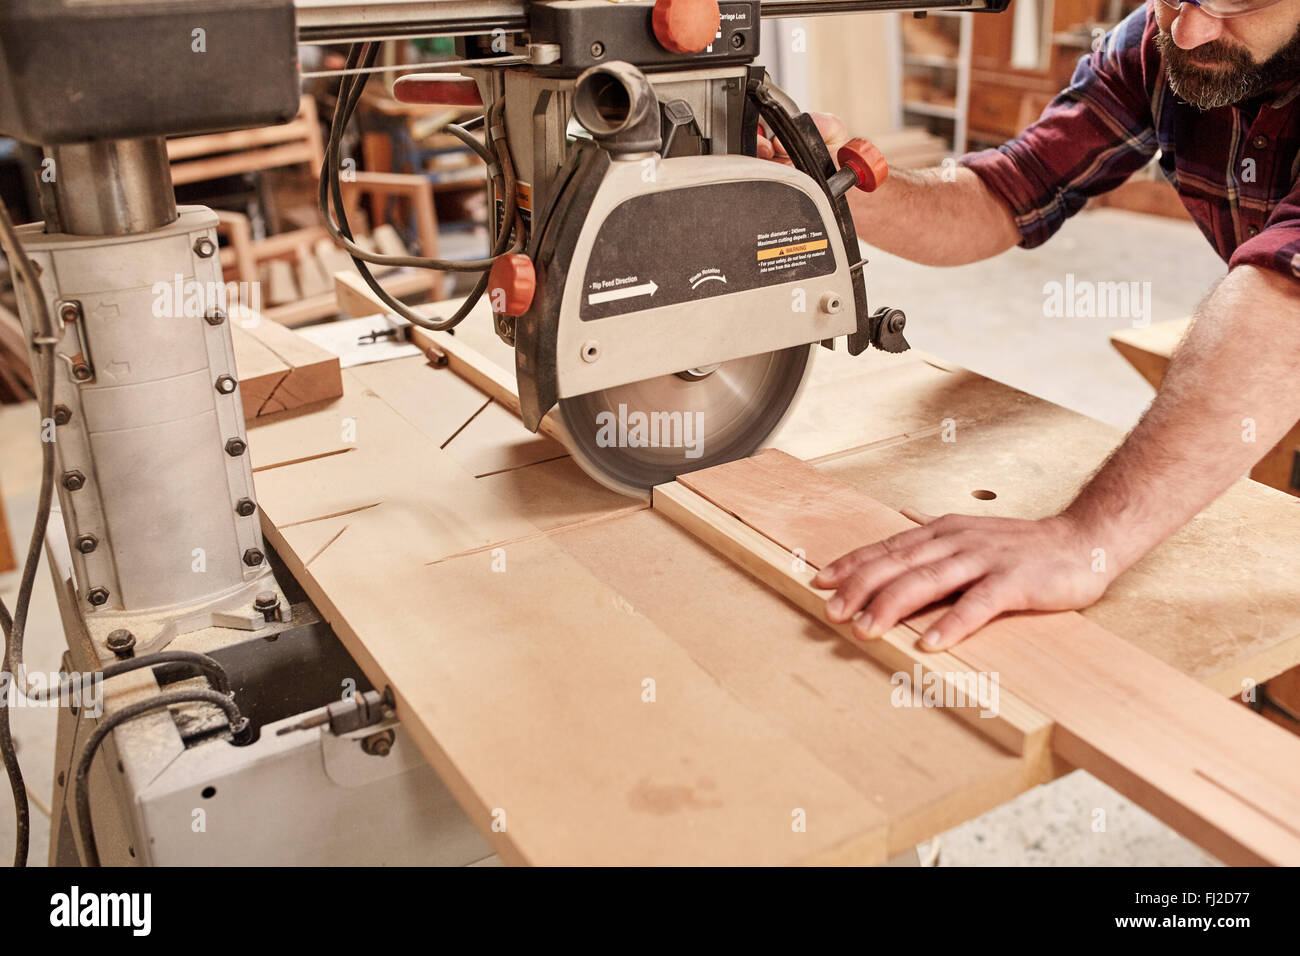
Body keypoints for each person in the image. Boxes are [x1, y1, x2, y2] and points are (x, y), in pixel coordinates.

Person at [757, 0, 1300, 650]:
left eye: (1233, 2)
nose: (1187, 30)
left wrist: (1085, 540)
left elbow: (1282, 294)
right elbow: (1009, 190)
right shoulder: (1166, 42)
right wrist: (828, 185)